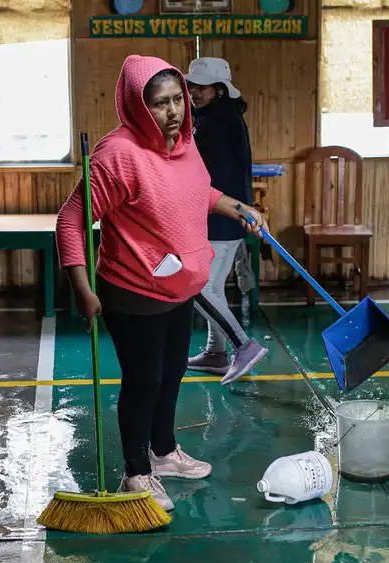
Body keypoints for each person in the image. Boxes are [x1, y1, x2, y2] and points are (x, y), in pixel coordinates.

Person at [55, 55, 266, 512]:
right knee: (144, 380)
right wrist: (81, 286)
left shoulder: (185, 141)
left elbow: (197, 191)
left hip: (178, 284)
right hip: (133, 288)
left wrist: (233, 206)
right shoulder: (117, 156)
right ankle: (136, 471)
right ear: (136, 106)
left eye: (177, 100)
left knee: (172, 372)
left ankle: (165, 452)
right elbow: (71, 220)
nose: (173, 111)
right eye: (159, 104)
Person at [183, 57, 270, 386]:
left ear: (220, 90)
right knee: (213, 287)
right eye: (192, 86)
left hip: (220, 217)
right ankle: (215, 353)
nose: (194, 92)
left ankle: (242, 347)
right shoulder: (215, 117)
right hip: (224, 217)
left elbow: (211, 176)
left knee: (200, 289)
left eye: (201, 87)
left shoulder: (218, 122)